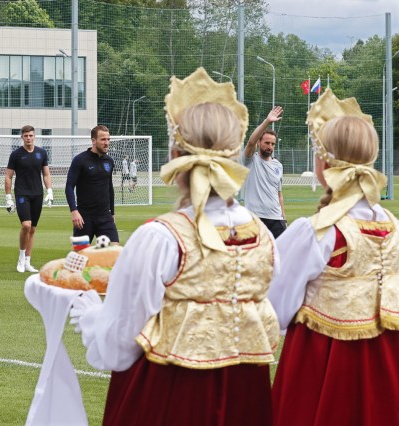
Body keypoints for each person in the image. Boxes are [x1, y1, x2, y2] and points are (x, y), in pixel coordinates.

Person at [68, 70, 279, 425]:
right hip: (246, 397)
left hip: (169, 395)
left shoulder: (161, 237)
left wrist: (90, 315)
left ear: (176, 154)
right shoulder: (263, 235)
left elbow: (118, 348)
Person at [268, 90, 399, 425]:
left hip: (324, 361)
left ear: (324, 164)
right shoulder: (393, 226)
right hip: (388, 359)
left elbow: (275, 305)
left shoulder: (316, 231)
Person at [4, 125, 53, 273]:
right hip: (22, 194)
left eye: (31, 135)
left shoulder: (41, 153)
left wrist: (49, 191)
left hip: (37, 194)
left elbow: (46, 174)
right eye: (26, 136)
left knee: (32, 229)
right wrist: (8, 198)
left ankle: (27, 262)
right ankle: (20, 257)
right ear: (22, 137)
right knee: (25, 225)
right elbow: (8, 176)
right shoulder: (16, 155)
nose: (28, 138)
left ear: (34, 136)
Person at [65, 125, 118, 244]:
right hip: (84, 217)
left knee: (114, 251)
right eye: (103, 139)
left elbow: (110, 188)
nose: (107, 143)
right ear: (93, 141)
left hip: (105, 216)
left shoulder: (109, 161)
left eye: (108, 139)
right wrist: (74, 211)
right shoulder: (80, 160)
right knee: (80, 257)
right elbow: (69, 186)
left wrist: (112, 213)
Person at [242, 106, 286, 238]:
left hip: (276, 219)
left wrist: (283, 217)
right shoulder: (250, 160)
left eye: (272, 144)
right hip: (255, 218)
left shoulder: (278, 165)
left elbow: (279, 195)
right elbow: (250, 142)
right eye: (267, 143)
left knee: (281, 256)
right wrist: (267, 121)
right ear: (259, 142)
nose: (270, 147)